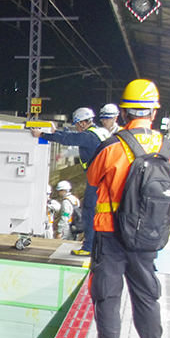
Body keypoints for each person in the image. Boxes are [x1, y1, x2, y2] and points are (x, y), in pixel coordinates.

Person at [84, 79, 170, 338]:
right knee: (146, 294)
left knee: (108, 294)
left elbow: (94, 180)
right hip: (147, 233)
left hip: (111, 232)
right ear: (153, 113)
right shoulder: (166, 147)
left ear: (123, 113)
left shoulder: (111, 145)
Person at [30, 107, 110, 256]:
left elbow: (70, 139)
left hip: (97, 178)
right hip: (105, 177)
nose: (78, 128)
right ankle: (99, 245)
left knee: (89, 211)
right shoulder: (99, 132)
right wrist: (56, 132)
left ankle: (88, 247)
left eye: (77, 125)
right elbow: (72, 136)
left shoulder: (88, 136)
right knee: (101, 211)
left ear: (81, 123)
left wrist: (42, 134)